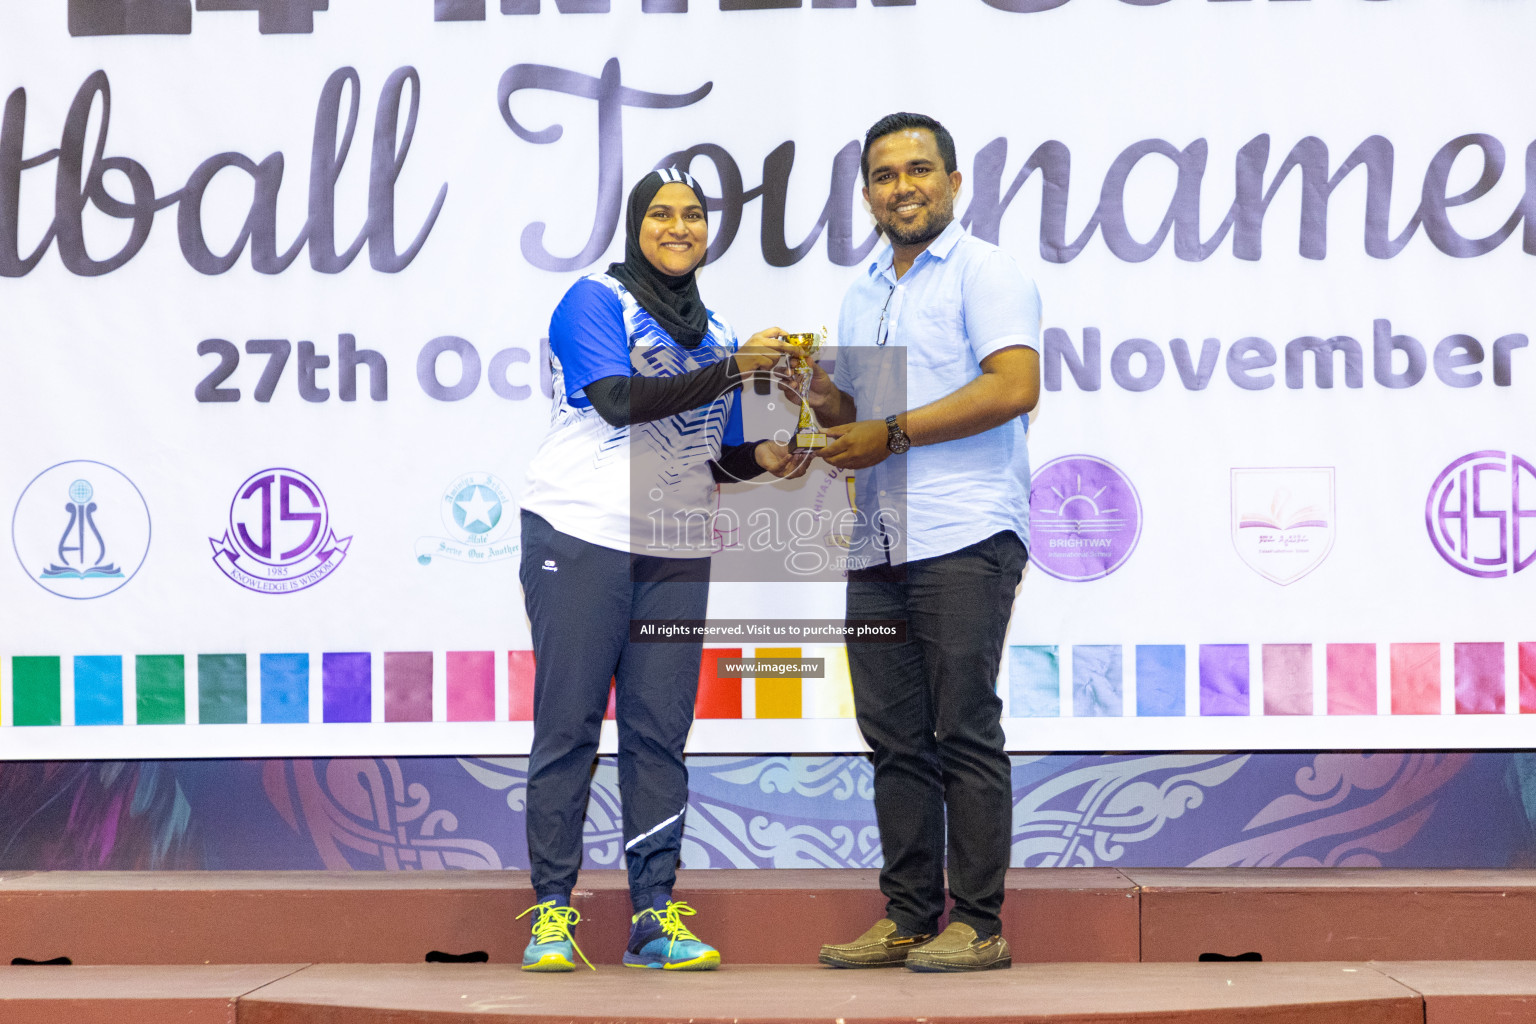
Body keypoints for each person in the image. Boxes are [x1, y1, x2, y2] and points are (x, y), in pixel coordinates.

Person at [517, 168, 806, 972]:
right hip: (578, 532)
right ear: (635, 224)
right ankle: (551, 913)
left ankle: (653, 917)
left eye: (693, 215)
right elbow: (616, 399)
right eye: (661, 214)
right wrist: (734, 369)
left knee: (659, 733)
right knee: (569, 724)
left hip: (675, 543)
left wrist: (770, 458)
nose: (678, 226)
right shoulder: (593, 300)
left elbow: (713, 455)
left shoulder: (717, 329)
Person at [802, 113, 1041, 972]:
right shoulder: (863, 289)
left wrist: (891, 433)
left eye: (919, 169)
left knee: (962, 728)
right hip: (876, 538)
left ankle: (977, 921)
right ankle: (907, 914)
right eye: (884, 174)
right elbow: (858, 419)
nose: (903, 186)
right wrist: (816, 391)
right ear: (866, 193)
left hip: (967, 530)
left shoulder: (988, 271)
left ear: (953, 182)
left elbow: (1015, 387)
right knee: (893, 735)